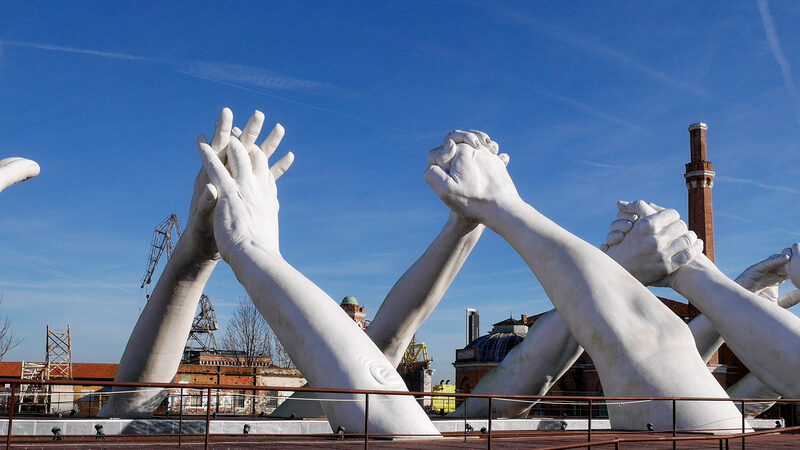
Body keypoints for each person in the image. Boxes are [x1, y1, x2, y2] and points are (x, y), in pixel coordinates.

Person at [425, 133, 743, 432]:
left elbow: (520, 372)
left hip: (682, 423)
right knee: (661, 341)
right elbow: (520, 371)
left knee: (660, 341)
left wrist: (498, 205)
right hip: (696, 420)